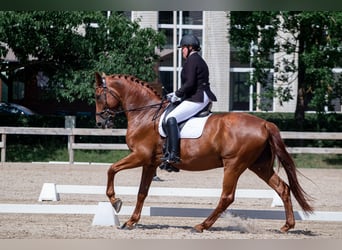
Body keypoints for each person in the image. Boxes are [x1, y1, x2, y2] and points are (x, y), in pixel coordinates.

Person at [161, 34, 217, 165]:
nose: (182, 51)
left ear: (190, 47)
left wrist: (177, 94)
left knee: (171, 118)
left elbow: (190, 83)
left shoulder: (193, 60)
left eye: (183, 48)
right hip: (197, 96)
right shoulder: (197, 60)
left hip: (197, 97)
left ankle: (173, 155)